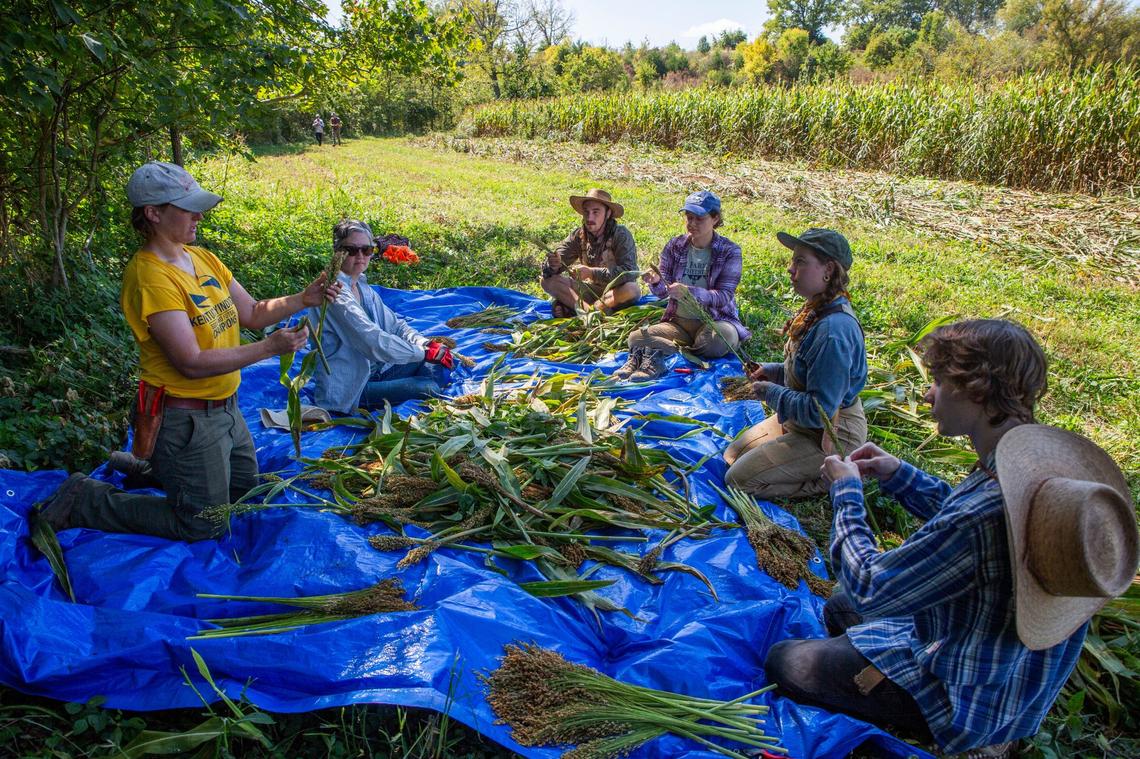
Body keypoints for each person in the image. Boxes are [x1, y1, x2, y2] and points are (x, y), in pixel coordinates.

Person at [763, 319, 1138, 758]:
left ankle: (968, 740)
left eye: (938, 382)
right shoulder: (1031, 469)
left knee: (786, 660)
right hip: (1015, 675)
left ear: (975, 390)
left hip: (966, 694)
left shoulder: (981, 514)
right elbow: (963, 514)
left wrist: (846, 491)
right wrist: (900, 475)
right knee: (838, 606)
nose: (927, 394)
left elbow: (871, 587)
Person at [34, 161, 341, 541]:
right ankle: (86, 499)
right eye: (187, 207)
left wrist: (301, 298)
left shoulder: (201, 257)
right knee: (204, 523)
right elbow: (191, 363)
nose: (199, 215)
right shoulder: (150, 276)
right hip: (185, 418)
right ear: (154, 213)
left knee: (245, 494)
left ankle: (156, 470)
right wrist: (268, 348)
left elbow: (253, 313)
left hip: (226, 408)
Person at [723, 228, 868, 499]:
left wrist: (769, 392)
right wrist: (774, 371)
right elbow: (806, 371)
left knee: (738, 482)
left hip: (830, 432)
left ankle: (831, 480)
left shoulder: (833, 332)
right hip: (801, 422)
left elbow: (820, 411)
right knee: (732, 455)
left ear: (828, 270)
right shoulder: (816, 309)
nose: (790, 269)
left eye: (800, 261)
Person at [310, 219, 453, 414]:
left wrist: (425, 344)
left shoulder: (361, 285)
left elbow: (396, 327)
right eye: (352, 250)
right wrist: (422, 353)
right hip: (354, 388)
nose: (360, 256)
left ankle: (420, 384)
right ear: (338, 252)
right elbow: (372, 342)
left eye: (367, 250)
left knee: (441, 363)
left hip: (379, 370)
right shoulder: (334, 293)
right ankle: (423, 387)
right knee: (430, 387)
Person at [615, 190, 749, 382]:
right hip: (679, 322)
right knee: (635, 338)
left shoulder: (729, 251)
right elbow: (663, 292)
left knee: (719, 341)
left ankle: (663, 350)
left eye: (699, 218)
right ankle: (675, 351)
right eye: (689, 217)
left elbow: (724, 296)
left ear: (715, 218)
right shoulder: (675, 246)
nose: (692, 224)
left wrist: (690, 292)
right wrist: (655, 282)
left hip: (714, 321)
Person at [541, 188, 640, 318]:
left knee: (632, 289)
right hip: (589, 291)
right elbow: (559, 256)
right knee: (547, 281)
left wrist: (591, 273)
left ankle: (584, 311)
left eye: (595, 212)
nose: (590, 217)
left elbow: (630, 272)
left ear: (608, 213)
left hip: (614, 294)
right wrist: (553, 265)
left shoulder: (620, 235)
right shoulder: (579, 235)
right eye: (586, 212)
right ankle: (590, 314)